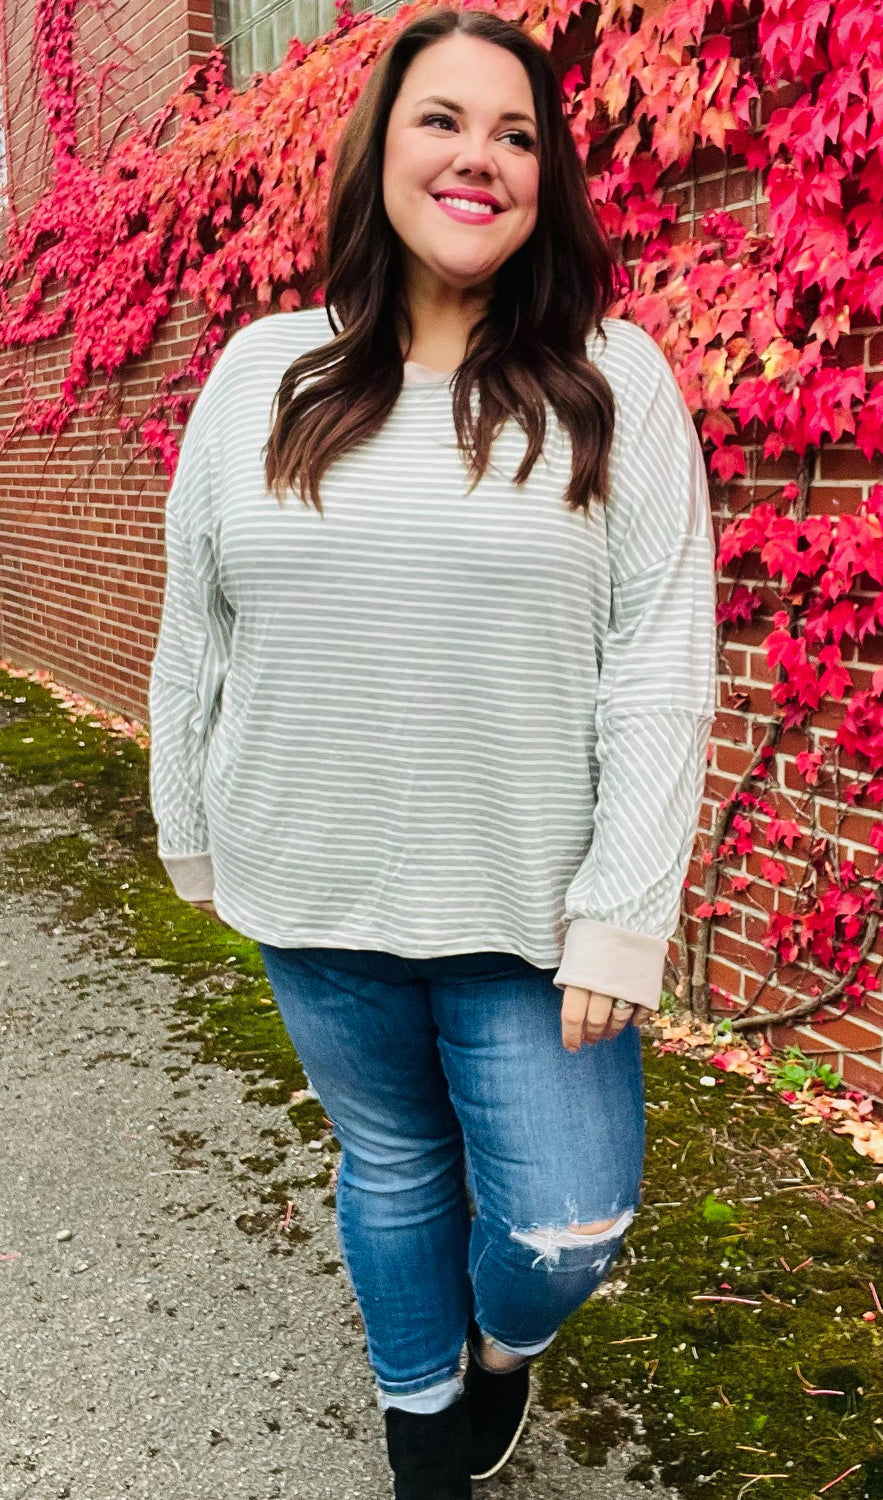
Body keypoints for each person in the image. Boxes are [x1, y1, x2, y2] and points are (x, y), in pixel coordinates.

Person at [148, 7, 717, 1496]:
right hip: (312, 887)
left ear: (548, 180)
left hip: (532, 917)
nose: (481, 157)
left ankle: (496, 1353)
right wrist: (185, 824)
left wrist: (625, 911)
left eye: (517, 133)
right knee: (395, 1162)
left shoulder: (612, 379)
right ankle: (422, 1420)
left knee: (563, 1226)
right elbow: (197, 621)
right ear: (379, 154)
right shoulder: (262, 373)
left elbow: (660, 661)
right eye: (443, 120)